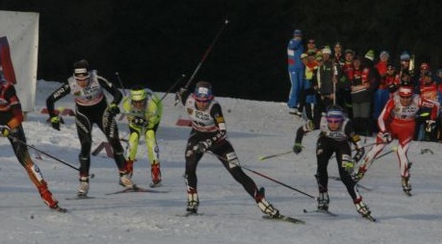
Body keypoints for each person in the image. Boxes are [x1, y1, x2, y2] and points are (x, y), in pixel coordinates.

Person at [0, 69, 65, 212]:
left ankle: (47, 195)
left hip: (10, 119)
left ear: (0, 85)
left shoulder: (7, 90)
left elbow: (19, 116)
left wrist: (9, 127)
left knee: (25, 159)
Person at [178, 81, 280, 218]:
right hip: (197, 136)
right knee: (189, 165)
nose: (202, 104)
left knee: (237, 173)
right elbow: (182, 92)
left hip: (218, 141)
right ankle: (192, 201)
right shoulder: (188, 100)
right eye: (200, 101)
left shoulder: (214, 107)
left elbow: (222, 131)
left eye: (206, 101)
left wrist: (208, 143)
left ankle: (263, 204)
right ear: (195, 98)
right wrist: (180, 92)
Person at [45, 59, 134, 198]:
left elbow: (117, 93)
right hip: (83, 114)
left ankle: (123, 176)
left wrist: (114, 105)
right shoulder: (70, 84)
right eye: (78, 80)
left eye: (85, 79)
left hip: (102, 111)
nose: (82, 83)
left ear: (89, 75)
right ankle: (84, 182)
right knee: (86, 144)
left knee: (114, 141)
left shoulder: (97, 78)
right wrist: (54, 117)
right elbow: (50, 100)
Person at [293, 105, 374, 221]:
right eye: (330, 121)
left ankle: (359, 204)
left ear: (341, 120)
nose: (333, 124)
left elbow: (361, 149)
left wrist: (353, 161)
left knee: (345, 176)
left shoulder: (347, 126)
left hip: (342, 144)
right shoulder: (321, 121)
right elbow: (300, 130)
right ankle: (323, 197)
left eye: (337, 121)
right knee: (321, 167)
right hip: (325, 141)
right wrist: (297, 144)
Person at [354, 86, 439, 195]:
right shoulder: (393, 100)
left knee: (401, 151)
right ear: (399, 95)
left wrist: (432, 120)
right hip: (392, 124)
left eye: (408, 97)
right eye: (403, 97)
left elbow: (435, 105)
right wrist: (384, 132)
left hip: (408, 127)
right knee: (377, 148)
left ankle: (405, 179)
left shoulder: (418, 100)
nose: (406, 100)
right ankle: (360, 172)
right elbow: (381, 118)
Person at [120, 86, 164, 187]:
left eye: (141, 102)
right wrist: (135, 120)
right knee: (134, 137)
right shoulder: (126, 103)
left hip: (153, 115)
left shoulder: (152, 104)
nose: (138, 105)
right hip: (137, 117)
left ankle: (156, 172)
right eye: (135, 103)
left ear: (145, 100)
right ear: (132, 101)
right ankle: (128, 170)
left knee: (150, 135)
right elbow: (131, 120)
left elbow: (152, 122)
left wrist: (146, 122)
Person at [286, 29, 305, 115]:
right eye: (296, 35)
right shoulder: (292, 42)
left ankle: (296, 102)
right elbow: (292, 47)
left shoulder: (301, 45)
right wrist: (298, 41)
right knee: (295, 85)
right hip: (293, 68)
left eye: (299, 35)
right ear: (294, 35)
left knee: (300, 86)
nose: (298, 37)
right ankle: (291, 104)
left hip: (301, 68)